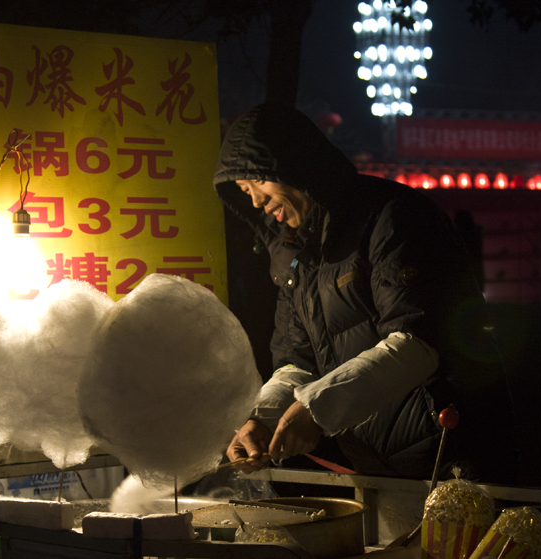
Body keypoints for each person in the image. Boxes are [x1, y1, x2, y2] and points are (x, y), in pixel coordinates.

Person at [214, 104, 518, 482]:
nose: (256, 201)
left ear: (291, 166)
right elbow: (295, 362)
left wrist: (317, 410)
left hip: (453, 453)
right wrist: (262, 417)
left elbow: (419, 342)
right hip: (374, 465)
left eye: (257, 183)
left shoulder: (390, 217)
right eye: (245, 192)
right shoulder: (294, 258)